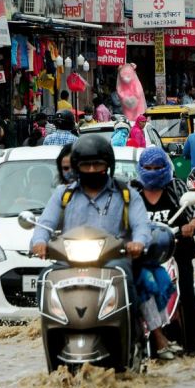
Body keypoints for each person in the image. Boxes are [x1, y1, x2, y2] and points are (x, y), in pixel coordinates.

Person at [30, 135, 152, 321]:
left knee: (125, 278)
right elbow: (45, 224)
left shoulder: (126, 194)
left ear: (108, 165)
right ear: (77, 167)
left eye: (98, 164)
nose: (92, 169)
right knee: (45, 277)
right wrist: (39, 242)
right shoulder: (63, 194)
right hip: (69, 261)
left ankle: (131, 331)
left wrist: (138, 243)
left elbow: (141, 225)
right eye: (86, 165)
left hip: (113, 260)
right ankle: (53, 327)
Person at [133, 147, 195, 355]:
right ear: (141, 168)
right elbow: (122, 215)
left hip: (177, 249)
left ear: (166, 167)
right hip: (143, 255)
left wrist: (192, 223)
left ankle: (193, 344)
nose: (153, 171)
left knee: (187, 293)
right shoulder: (134, 192)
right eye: (148, 167)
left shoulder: (175, 186)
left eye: (158, 167)